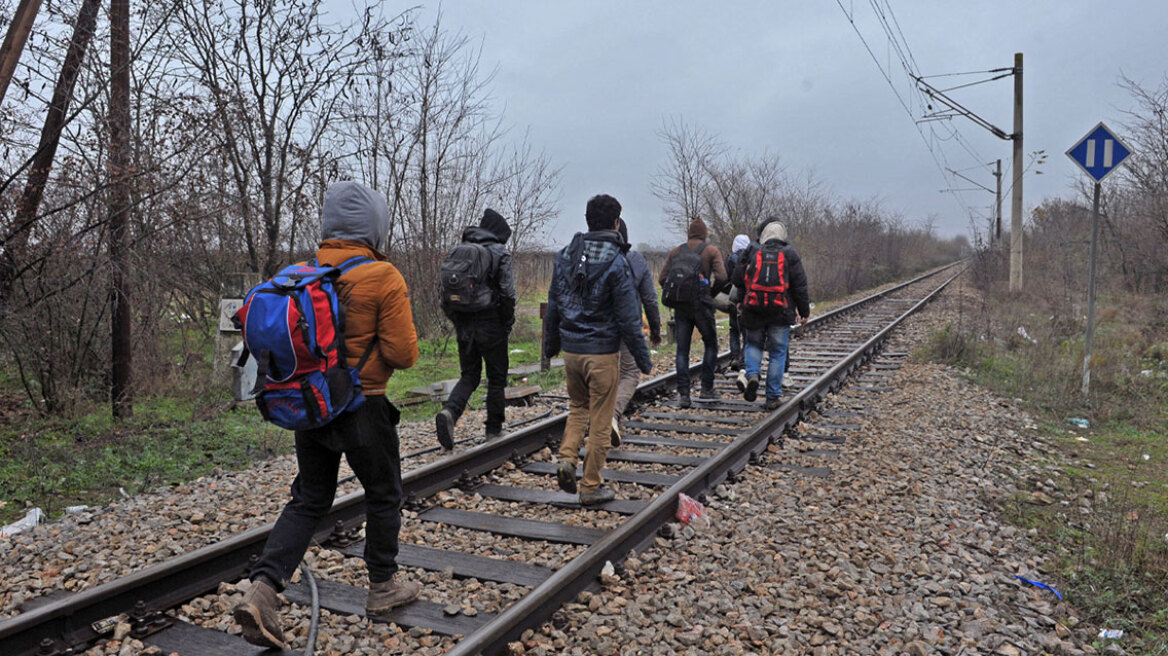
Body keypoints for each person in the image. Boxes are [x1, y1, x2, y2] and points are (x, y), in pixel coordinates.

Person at [233, 181, 420, 648]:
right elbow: (404, 353)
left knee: (310, 498)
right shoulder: (384, 276)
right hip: (364, 405)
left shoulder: (303, 273)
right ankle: (383, 587)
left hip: (311, 404)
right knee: (382, 492)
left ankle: (264, 589)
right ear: (375, 226)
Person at [544, 194, 652, 505]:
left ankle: (566, 459)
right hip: (602, 354)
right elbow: (629, 319)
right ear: (616, 223)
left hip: (572, 352)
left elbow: (554, 306)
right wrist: (643, 361)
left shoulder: (566, 256)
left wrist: (551, 346)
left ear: (588, 220)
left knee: (578, 409)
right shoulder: (617, 262)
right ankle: (591, 487)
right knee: (601, 422)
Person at [435, 209, 517, 449]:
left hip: (464, 323)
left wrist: (457, 320)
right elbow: (508, 294)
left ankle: (450, 412)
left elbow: (444, 294)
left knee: (469, 375)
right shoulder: (500, 252)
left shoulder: (459, 250)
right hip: (491, 323)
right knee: (496, 377)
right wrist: (506, 323)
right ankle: (493, 430)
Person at [731, 217, 810, 410]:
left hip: (754, 309)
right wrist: (804, 310)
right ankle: (772, 396)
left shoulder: (751, 249)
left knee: (753, 344)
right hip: (780, 311)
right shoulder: (790, 253)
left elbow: (738, 278)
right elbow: (800, 285)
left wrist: (740, 301)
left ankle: (752, 375)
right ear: (782, 235)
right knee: (777, 352)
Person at [658, 217, 726, 407]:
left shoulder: (676, 251)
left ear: (689, 233)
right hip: (702, 305)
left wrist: (679, 293)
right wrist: (710, 292)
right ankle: (706, 388)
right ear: (704, 234)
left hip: (681, 308)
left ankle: (684, 395)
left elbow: (662, 279)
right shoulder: (711, 251)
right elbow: (722, 276)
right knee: (711, 344)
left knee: (682, 350)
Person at [611, 218, 662, 445]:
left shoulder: (589, 256)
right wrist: (655, 329)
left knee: (604, 372)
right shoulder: (635, 260)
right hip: (627, 325)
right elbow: (650, 299)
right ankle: (612, 415)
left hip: (594, 328)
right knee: (630, 373)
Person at [723, 233, 751, 371]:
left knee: (734, 329)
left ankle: (735, 357)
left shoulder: (729, 260)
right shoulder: (750, 259)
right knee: (746, 331)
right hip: (746, 299)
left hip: (732, 299)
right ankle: (744, 360)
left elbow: (723, 279)